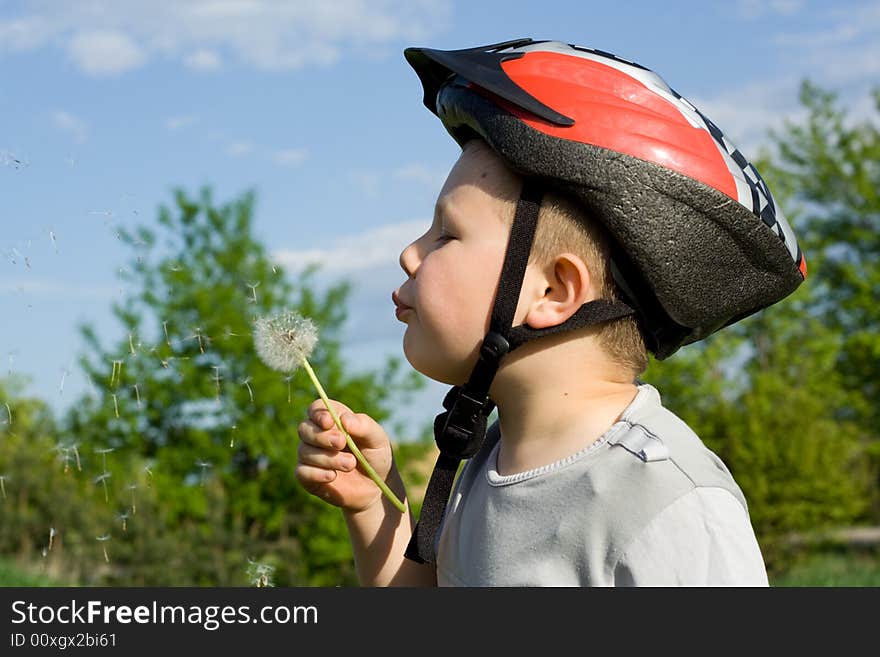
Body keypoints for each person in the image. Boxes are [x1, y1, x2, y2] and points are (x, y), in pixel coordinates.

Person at [295, 39, 807, 586]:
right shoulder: (490, 463)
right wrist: (376, 505)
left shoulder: (667, 503)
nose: (409, 254)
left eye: (447, 234)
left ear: (554, 292)